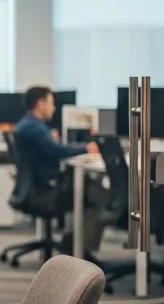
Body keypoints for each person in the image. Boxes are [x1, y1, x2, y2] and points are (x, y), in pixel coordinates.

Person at [13, 86, 102, 257]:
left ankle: (73, 241)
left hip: (37, 188)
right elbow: (58, 151)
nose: (53, 108)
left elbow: (51, 149)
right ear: (40, 104)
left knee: (89, 190)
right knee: (101, 197)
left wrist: (51, 139)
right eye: (51, 103)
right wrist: (87, 148)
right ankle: (79, 247)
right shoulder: (34, 128)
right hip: (46, 191)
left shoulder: (29, 125)